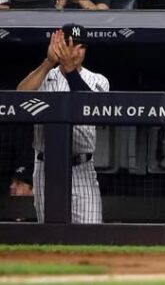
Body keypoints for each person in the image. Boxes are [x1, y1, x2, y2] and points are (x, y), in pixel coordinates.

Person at [18, 24, 109, 223]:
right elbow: (19, 98)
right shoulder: (45, 75)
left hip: (82, 167)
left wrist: (69, 71)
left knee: (91, 232)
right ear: (59, 45)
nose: (74, 51)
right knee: (50, 232)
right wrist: (48, 63)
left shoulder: (98, 80)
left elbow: (91, 108)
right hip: (45, 166)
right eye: (69, 44)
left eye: (80, 46)